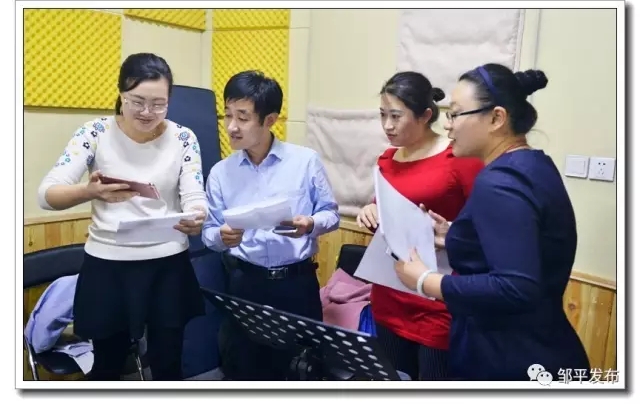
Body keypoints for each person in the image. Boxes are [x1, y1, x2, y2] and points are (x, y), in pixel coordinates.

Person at [393, 63, 591, 381]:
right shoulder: (532, 165)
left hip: (509, 358)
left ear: (497, 118)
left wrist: (425, 281)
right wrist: (454, 234)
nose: (448, 126)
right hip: (542, 346)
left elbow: (515, 286)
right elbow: (527, 242)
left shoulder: (500, 181)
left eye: (455, 114)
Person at [37, 52, 207, 381]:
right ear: (120, 94)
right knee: (107, 365)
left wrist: (197, 215)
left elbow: (194, 194)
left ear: (169, 100)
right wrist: (90, 191)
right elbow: (47, 195)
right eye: (137, 101)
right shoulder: (94, 132)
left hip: (168, 265)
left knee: (168, 363)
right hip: (108, 266)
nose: (147, 112)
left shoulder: (183, 137)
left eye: (158, 104)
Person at [201, 70, 340, 381]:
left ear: (270, 120)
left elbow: (331, 214)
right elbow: (209, 234)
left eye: (243, 117)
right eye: (227, 115)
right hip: (245, 283)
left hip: (296, 284)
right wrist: (222, 236)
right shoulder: (221, 172)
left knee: (300, 371)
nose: (231, 126)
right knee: (243, 369)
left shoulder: (305, 161)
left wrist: (311, 223)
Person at [355, 71, 484, 381]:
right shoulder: (387, 159)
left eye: (396, 116)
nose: (387, 125)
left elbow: (484, 224)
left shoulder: (458, 157)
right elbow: (386, 208)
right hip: (390, 292)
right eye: (382, 115)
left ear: (426, 115)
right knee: (391, 381)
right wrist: (371, 209)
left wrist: (452, 232)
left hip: (437, 297)